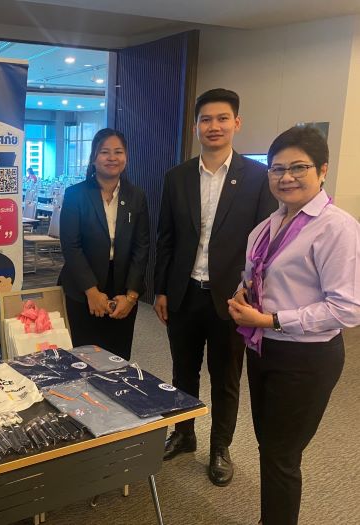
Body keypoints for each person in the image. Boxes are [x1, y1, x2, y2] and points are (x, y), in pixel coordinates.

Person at [228, 125, 360, 524]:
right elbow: (257, 276)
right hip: (263, 348)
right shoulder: (266, 226)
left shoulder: (336, 228)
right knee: (269, 447)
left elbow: (347, 309)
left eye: (298, 167)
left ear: (322, 170)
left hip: (306, 357)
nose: (286, 177)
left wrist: (271, 319)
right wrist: (243, 293)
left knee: (282, 456)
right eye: (277, 169)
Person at [153, 88, 277, 486]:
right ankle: (184, 433)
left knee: (226, 378)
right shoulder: (177, 177)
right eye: (206, 119)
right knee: (183, 372)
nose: (214, 126)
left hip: (232, 298)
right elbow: (166, 238)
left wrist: (251, 294)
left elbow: (263, 248)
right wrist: (161, 290)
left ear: (236, 123)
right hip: (185, 292)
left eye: (222, 118)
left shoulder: (257, 178)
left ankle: (220, 447)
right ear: (196, 127)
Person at [59, 128, 149, 360]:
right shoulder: (75, 194)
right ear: (93, 158)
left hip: (122, 288)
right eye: (104, 152)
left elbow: (142, 247)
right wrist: (91, 291)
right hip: (83, 287)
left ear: (126, 157)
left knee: (118, 358)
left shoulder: (136, 196)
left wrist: (131, 296)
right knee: (82, 358)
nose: (112, 158)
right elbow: (71, 246)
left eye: (118, 152)